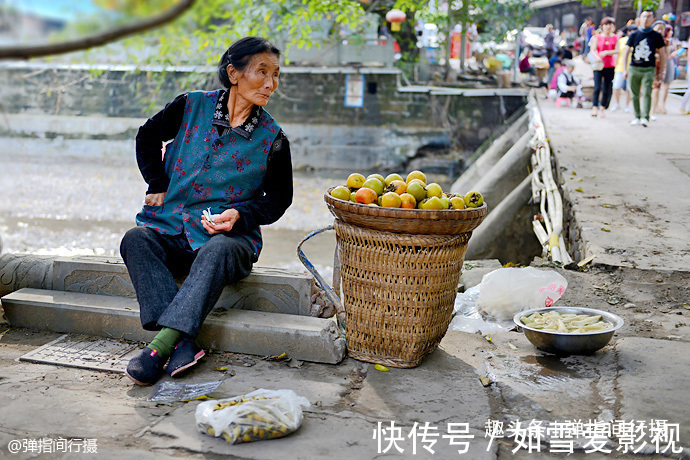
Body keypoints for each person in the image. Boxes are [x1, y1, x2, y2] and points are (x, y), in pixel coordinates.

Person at [121, 37, 293, 385]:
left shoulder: (273, 138)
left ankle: (158, 348)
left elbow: (278, 200)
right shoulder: (189, 106)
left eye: (276, 75)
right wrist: (157, 183)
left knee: (219, 249)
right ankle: (184, 342)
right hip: (171, 230)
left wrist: (239, 217)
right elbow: (146, 136)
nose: (271, 84)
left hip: (228, 242)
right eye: (262, 72)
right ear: (234, 73)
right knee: (136, 239)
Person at [622, 10, 667, 127]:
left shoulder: (656, 36)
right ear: (639, 19)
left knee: (647, 92)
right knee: (634, 93)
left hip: (649, 68)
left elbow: (662, 54)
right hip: (634, 68)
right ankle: (636, 116)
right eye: (644, 17)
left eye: (648, 17)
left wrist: (662, 71)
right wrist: (625, 69)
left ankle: (645, 117)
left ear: (653, 19)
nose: (646, 19)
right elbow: (626, 52)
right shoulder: (634, 35)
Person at [590, 17, 618, 118]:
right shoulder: (597, 37)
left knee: (607, 88)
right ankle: (594, 107)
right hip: (599, 65)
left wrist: (607, 52)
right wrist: (597, 57)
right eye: (606, 25)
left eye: (610, 25)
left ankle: (602, 108)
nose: (608, 27)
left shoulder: (615, 37)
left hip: (610, 65)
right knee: (597, 87)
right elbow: (593, 50)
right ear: (603, 26)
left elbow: (618, 50)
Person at [611, 24, 637, 112]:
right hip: (620, 67)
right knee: (616, 86)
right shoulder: (621, 41)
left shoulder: (637, 41)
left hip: (632, 67)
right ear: (628, 32)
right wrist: (615, 64)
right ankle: (617, 103)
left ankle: (627, 105)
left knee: (629, 88)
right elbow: (617, 53)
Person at [653, 25, 677, 116]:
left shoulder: (669, 41)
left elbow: (670, 52)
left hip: (668, 63)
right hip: (657, 64)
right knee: (656, 86)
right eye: (669, 31)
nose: (671, 32)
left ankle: (662, 105)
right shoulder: (655, 39)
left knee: (667, 84)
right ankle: (654, 107)